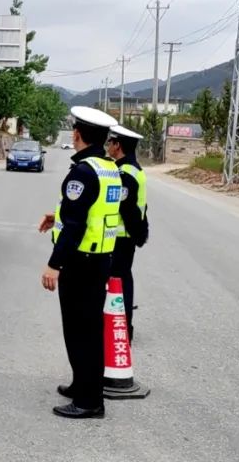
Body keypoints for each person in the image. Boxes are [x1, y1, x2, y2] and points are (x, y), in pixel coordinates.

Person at [38, 105, 121, 419]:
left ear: (77, 135)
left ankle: (89, 401)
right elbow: (86, 213)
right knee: (86, 329)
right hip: (98, 259)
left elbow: (75, 225)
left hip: (81, 263)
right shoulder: (108, 167)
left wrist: (53, 265)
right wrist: (55, 216)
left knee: (80, 332)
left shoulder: (84, 172)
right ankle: (82, 384)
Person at [106, 125, 149, 342]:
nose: (108, 147)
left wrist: (137, 233)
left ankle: (123, 326)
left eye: (110, 143)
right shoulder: (130, 168)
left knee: (119, 282)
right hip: (124, 237)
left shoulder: (126, 173)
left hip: (122, 238)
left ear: (118, 145)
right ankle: (119, 323)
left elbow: (127, 208)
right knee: (120, 280)